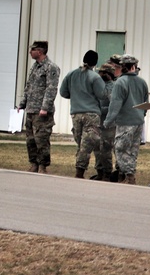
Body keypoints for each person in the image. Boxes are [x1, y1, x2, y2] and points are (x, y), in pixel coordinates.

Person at [59, 49, 106, 178]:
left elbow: (63, 92)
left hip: (76, 113)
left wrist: (76, 96)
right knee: (88, 144)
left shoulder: (71, 74)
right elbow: (102, 94)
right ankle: (80, 171)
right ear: (95, 63)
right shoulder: (95, 77)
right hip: (91, 114)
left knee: (81, 143)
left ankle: (87, 169)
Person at [104, 54, 149, 184]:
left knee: (120, 149)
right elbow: (146, 102)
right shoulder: (142, 82)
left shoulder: (120, 82)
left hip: (125, 122)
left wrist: (108, 120)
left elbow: (115, 104)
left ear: (122, 67)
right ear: (134, 66)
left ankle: (129, 175)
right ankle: (128, 175)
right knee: (132, 151)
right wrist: (142, 114)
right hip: (138, 121)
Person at [17, 40, 60, 173]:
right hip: (31, 108)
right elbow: (28, 87)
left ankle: (43, 165)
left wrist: (45, 107)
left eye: (32, 50)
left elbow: (51, 89)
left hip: (42, 111)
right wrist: (22, 104)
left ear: (40, 51)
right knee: (30, 139)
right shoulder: (34, 67)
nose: (30, 52)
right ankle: (33, 163)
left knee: (41, 139)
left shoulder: (51, 67)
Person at [91, 61, 117, 181]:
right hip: (98, 121)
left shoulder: (113, 87)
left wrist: (99, 109)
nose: (100, 74)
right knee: (97, 148)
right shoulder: (99, 85)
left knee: (106, 149)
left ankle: (107, 173)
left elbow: (113, 105)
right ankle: (100, 171)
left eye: (103, 72)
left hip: (109, 123)